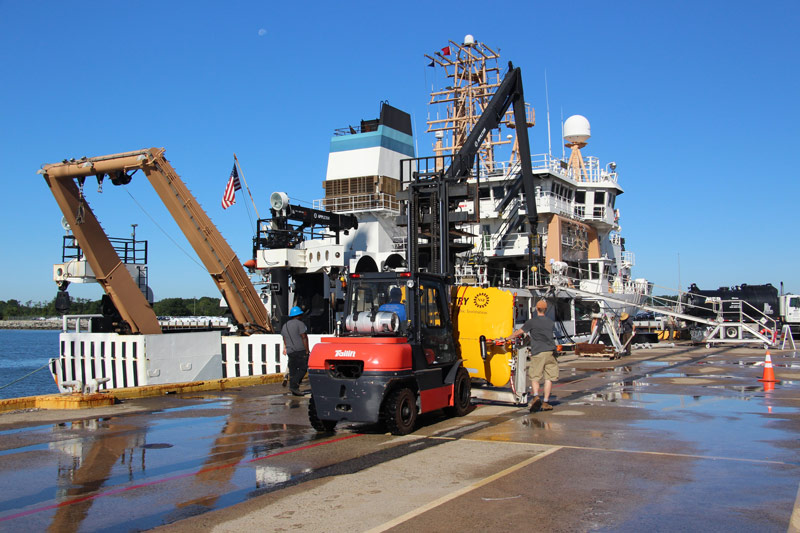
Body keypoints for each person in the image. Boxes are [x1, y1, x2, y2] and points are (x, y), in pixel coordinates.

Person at [506, 299, 558, 412]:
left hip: (538, 352)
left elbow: (518, 332)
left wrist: (506, 338)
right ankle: (546, 402)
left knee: (535, 376)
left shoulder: (532, 322)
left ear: (536, 309)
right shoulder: (550, 322)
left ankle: (536, 397)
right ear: (545, 309)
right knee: (549, 378)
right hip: (551, 352)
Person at [281, 306, 310, 396]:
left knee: (293, 370)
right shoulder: (300, 324)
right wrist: (307, 350)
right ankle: (294, 385)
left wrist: (286, 348)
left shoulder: (285, 325)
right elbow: (304, 337)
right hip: (300, 350)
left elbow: (284, 338)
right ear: (298, 315)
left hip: (290, 351)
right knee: (304, 368)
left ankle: (294, 388)